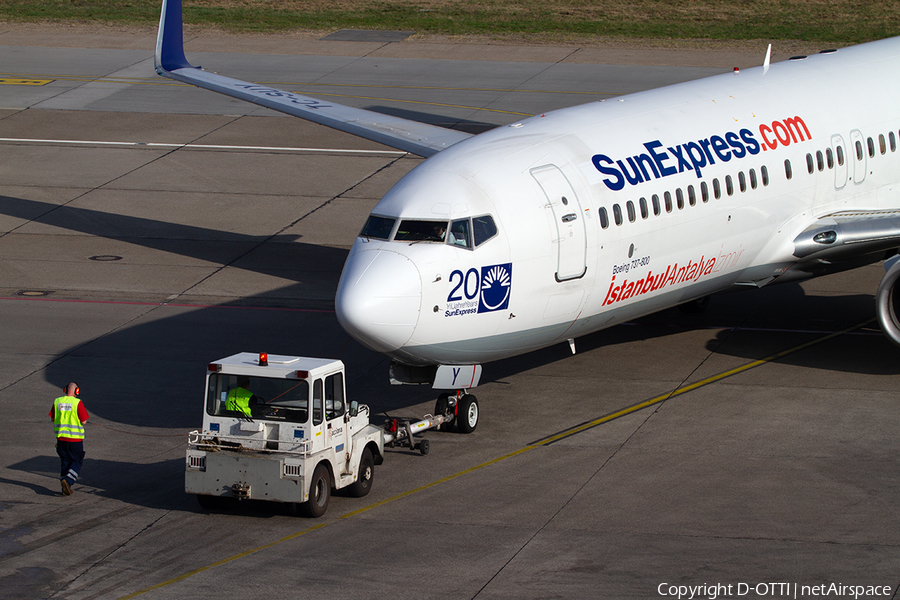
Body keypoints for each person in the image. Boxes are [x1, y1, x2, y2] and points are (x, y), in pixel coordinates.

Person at [49, 382, 88, 496]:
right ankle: (69, 480)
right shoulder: (77, 402)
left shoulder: (57, 401)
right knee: (76, 460)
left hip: (61, 439)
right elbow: (84, 421)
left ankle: (65, 486)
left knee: (65, 461)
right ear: (77, 391)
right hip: (75, 439)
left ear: (65, 389)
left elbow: (52, 418)